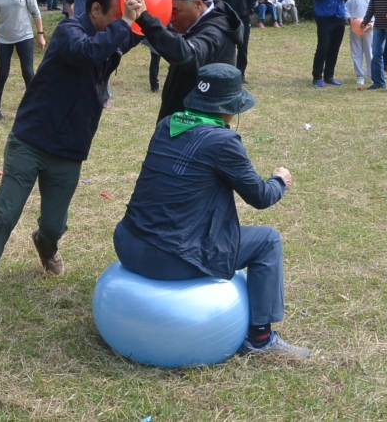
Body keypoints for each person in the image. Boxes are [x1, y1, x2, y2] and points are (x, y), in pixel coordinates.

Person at [0, 0, 146, 314]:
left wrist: (154, 6)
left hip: (70, 149)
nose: (121, 23)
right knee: (6, 212)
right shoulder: (69, 32)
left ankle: (45, 242)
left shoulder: (112, 33)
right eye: (116, 17)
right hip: (31, 139)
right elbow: (90, 51)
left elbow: (143, 32)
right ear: (95, 11)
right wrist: (124, 23)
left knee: (54, 224)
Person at [112, 63, 308, 358]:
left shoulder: (167, 125)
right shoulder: (223, 141)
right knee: (268, 241)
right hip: (169, 257)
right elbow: (261, 196)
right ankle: (260, 338)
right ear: (230, 107)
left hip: (127, 244)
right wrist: (279, 180)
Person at [135, 0, 244, 122]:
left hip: (197, 130)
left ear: (198, 3)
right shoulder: (197, 24)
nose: (171, 19)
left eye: (175, 11)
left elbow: (187, 54)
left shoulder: (214, 33)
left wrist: (146, 20)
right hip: (181, 123)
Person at [213, 0, 255, 84]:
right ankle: (226, 72)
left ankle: (241, 74)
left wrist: (249, 12)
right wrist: (220, 11)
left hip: (243, 16)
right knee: (226, 46)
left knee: (242, 47)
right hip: (227, 15)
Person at [310, 0, 351, 87]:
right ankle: (317, 76)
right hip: (324, 16)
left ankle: (329, 75)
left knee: (334, 47)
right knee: (323, 46)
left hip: (339, 15)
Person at [345, 0, 375, 86]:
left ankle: (373, 75)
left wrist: (371, 24)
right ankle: (360, 75)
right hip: (355, 28)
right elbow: (346, 8)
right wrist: (349, 18)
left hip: (369, 29)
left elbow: (379, 15)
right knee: (356, 51)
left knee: (370, 52)